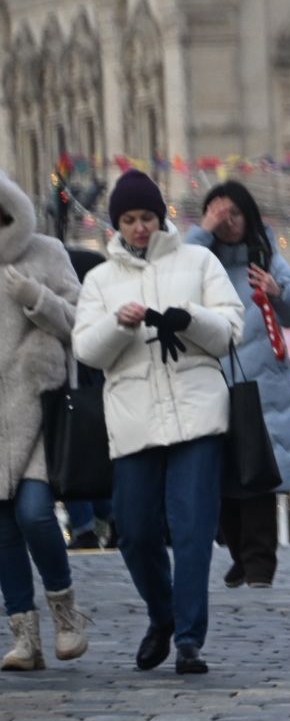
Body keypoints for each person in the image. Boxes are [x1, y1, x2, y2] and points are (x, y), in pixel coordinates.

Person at [72, 170, 244, 674]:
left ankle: (189, 638)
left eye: (147, 217)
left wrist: (187, 318)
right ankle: (162, 615)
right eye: (129, 219)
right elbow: (87, 349)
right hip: (134, 416)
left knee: (192, 529)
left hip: (196, 410)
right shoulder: (100, 279)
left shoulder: (198, 260)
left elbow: (231, 330)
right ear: (117, 224)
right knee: (135, 530)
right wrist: (119, 324)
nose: (140, 227)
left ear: (160, 216)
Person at [186, 182, 290, 589]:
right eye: (222, 216)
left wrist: (277, 292)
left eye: (236, 214)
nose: (230, 223)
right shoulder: (201, 260)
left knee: (258, 478)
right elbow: (178, 274)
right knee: (221, 477)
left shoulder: (266, 254)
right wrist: (204, 229)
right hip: (213, 380)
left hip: (261, 386)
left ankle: (259, 563)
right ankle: (239, 554)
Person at [0, 167, 90, 670]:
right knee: (2, 531)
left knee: (34, 513)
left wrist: (35, 299)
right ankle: (24, 635)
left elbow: (81, 322)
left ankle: (66, 612)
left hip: (38, 407)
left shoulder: (47, 253)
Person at [57, 246, 111, 549]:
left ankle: (85, 525)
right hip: (98, 380)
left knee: (72, 456)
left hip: (71, 382)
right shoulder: (95, 272)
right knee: (97, 455)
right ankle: (106, 518)